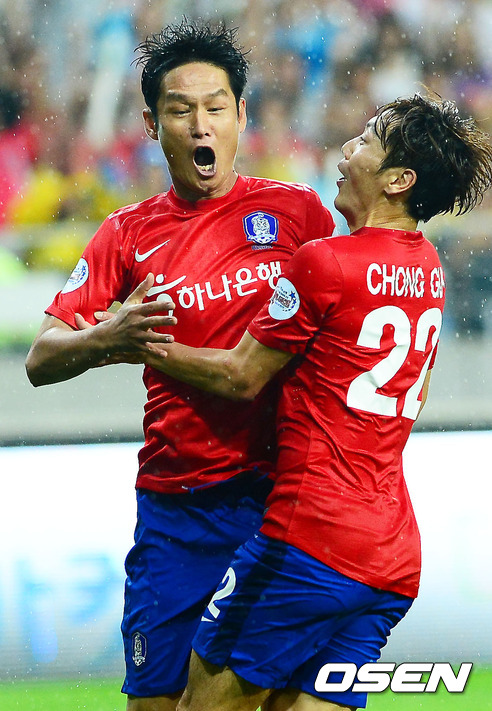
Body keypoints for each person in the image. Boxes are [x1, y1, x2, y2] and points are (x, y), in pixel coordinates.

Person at [134, 93, 492, 711]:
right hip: (390, 559)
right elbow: (414, 391)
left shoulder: (324, 261)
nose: (347, 151)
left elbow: (240, 376)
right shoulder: (429, 267)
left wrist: (135, 342)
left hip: (308, 542)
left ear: (399, 180)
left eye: (367, 140)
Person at [24, 19, 335, 711]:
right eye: (181, 109)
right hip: (176, 512)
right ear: (152, 124)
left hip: (279, 500)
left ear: (242, 116)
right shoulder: (126, 233)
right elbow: (41, 358)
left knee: (275, 701)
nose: (201, 125)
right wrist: (109, 337)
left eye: (215, 107)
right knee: (157, 705)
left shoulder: (298, 215)